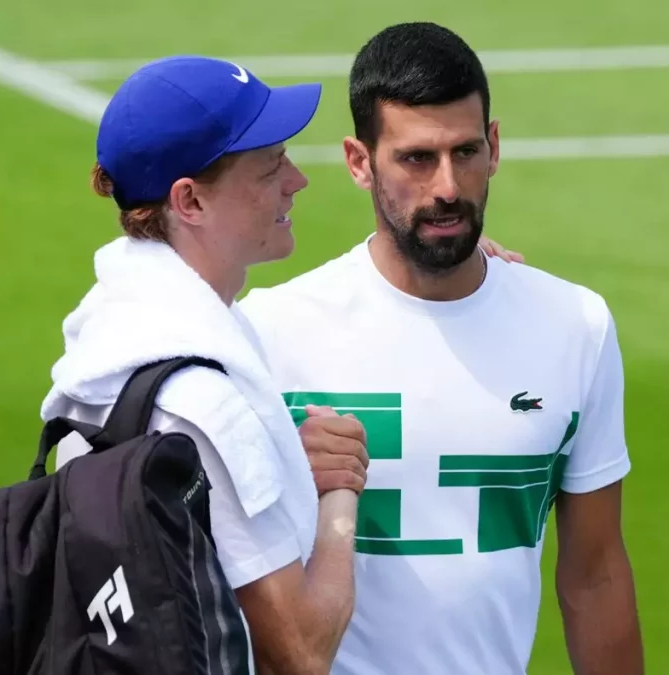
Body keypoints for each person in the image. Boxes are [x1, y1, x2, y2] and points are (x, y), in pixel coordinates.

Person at [238, 22, 645, 675]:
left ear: (495, 146)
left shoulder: (574, 326)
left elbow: (594, 575)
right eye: (417, 158)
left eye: (465, 152)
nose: (449, 186)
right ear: (358, 161)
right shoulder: (268, 332)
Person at [38, 55, 371, 674]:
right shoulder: (202, 402)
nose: (297, 181)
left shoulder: (110, 342)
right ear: (189, 200)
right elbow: (300, 652)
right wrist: (339, 497)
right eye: (271, 167)